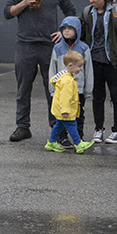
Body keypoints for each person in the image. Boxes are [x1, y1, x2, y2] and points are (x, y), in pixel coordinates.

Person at [4, 0, 75, 142]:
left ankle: (58, 129)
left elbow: (71, 11)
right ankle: (23, 127)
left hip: (50, 46)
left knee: (54, 89)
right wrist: (25, 2)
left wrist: (63, 31)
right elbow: (7, 12)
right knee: (23, 88)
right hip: (25, 45)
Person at [81, 0, 117, 144]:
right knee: (97, 96)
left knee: (116, 95)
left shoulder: (116, 11)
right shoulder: (88, 12)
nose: (91, 1)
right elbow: (83, 34)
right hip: (94, 61)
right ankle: (98, 129)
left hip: (114, 61)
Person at [49, 16, 92, 148]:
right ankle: (62, 138)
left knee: (78, 115)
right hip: (61, 91)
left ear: (77, 30)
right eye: (64, 28)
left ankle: (79, 137)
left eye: (70, 28)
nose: (66, 31)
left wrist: (88, 90)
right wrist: (52, 89)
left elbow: (88, 70)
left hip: (78, 90)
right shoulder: (57, 48)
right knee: (61, 116)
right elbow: (52, 68)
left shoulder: (84, 48)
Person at [44, 50, 95, 154]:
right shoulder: (67, 81)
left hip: (60, 109)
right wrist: (65, 110)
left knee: (58, 125)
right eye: (79, 66)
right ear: (70, 65)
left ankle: (52, 142)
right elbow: (65, 97)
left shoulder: (64, 76)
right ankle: (78, 143)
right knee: (71, 125)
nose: (81, 69)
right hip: (65, 110)